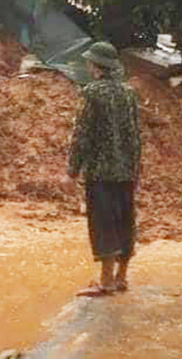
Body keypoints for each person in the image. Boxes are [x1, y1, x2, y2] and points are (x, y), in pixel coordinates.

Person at [67, 41, 141, 297]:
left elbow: (82, 135)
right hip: (126, 170)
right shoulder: (128, 93)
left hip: (100, 172)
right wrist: (135, 168)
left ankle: (106, 281)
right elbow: (135, 135)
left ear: (95, 65)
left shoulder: (92, 93)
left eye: (89, 61)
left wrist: (72, 168)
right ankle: (121, 277)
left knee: (103, 222)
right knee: (125, 220)